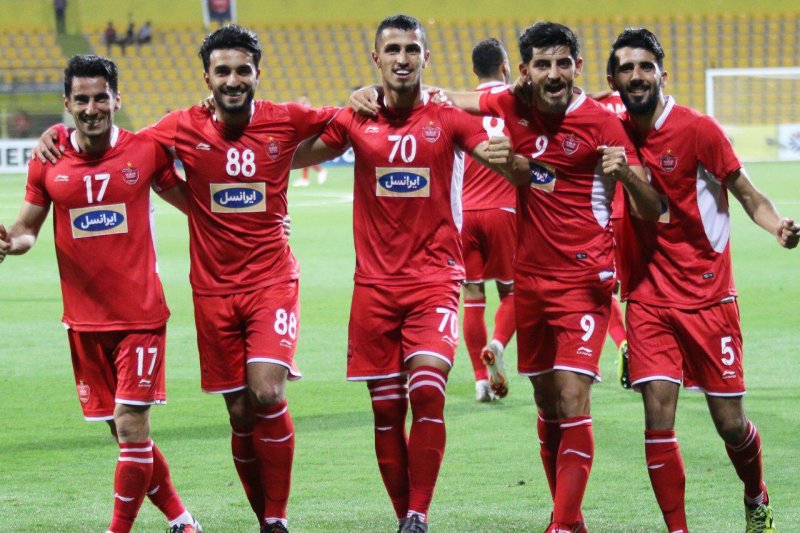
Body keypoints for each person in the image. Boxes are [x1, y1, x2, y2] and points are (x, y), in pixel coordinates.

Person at [32, 25, 338, 533]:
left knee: (266, 392)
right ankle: (257, 519)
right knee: (237, 412)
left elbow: (346, 123)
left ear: (257, 73)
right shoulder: (176, 127)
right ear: (207, 77)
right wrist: (59, 135)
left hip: (269, 279)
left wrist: (367, 98)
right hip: (211, 290)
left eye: (242, 70)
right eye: (223, 71)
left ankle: (277, 518)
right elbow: (115, 140)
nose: (233, 79)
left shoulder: (285, 117)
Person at [412, 21, 663, 531]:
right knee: (547, 403)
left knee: (573, 398)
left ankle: (561, 525)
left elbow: (652, 208)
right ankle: (570, 518)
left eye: (563, 63)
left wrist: (624, 174)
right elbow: (445, 98)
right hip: (530, 281)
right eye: (543, 64)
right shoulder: (511, 104)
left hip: (585, 281)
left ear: (578, 67)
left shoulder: (602, 124)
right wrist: (371, 94)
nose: (554, 74)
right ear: (524, 71)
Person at [292, 14, 515, 533]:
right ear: (376, 58)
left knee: (428, 390)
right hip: (373, 289)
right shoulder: (356, 118)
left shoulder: (448, 118)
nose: (401, 58)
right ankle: (404, 519)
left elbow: (501, 154)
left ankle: (418, 513)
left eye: (411, 49)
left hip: (435, 281)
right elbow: (290, 156)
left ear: (425, 58)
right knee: (387, 412)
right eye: (392, 49)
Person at [606, 27, 799, 532]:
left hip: (708, 297)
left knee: (730, 425)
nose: (636, 76)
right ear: (613, 80)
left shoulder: (699, 130)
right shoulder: (612, 128)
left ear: (662, 75)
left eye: (645, 67)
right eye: (626, 68)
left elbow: (748, 194)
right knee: (657, 417)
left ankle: (755, 496)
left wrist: (777, 225)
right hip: (647, 298)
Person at [0, 55, 200, 533]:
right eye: (82, 100)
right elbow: (27, 229)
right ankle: (183, 521)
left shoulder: (144, 151)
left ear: (116, 99)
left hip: (140, 317)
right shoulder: (48, 159)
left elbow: (196, 206)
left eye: (101, 98)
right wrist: (8, 243)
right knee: (129, 436)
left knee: (131, 426)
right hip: (84, 323)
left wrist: (263, 221)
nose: (92, 109)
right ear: (67, 103)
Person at [460, 38, 517, 402]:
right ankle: (496, 344)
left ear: (474, 70)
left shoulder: (460, 105)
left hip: (465, 213)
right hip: (504, 210)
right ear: (504, 66)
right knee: (513, 292)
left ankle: (481, 382)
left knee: (473, 297)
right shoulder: (516, 102)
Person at [588, 89, 630, 387]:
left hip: (606, 212)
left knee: (604, 289)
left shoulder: (595, 108)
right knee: (639, 288)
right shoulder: (641, 107)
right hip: (637, 210)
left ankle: (614, 348)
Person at [291, 95, 328, 187]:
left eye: (303, 101)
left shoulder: (310, 111)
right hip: (303, 136)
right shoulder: (301, 111)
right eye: (300, 101)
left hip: (308, 136)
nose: (301, 103)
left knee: (303, 156)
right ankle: (305, 178)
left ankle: (319, 171)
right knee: (303, 157)